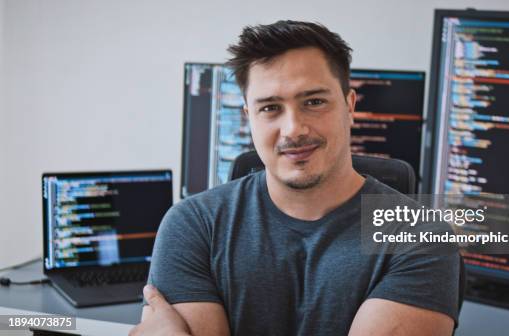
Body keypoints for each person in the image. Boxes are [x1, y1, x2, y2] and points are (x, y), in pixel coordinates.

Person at [130, 20, 459, 336]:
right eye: (270, 108)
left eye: (314, 102)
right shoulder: (193, 226)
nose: (293, 129)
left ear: (350, 106)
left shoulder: (424, 237)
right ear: (249, 118)